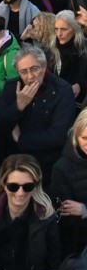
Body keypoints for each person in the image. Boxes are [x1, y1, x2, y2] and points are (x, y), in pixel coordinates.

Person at [0, 43, 75, 184]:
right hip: (16, 163)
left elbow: (58, 135)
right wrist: (18, 106)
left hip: (48, 165)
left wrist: (21, 139)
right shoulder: (12, 87)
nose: (30, 76)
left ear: (44, 66)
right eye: (23, 72)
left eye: (34, 69)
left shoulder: (63, 90)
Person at [50, 107, 87, 255]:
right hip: (78, 245)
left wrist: (84, 210)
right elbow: (64, 216)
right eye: (84, 138)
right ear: (76, 136)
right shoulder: (62, 168)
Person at [53, 9, 87, 100]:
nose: (59, 34)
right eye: (56, 29)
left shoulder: (84, 48)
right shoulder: (52, 48)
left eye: (63, 29)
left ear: (74, 29)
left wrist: (81, 86)